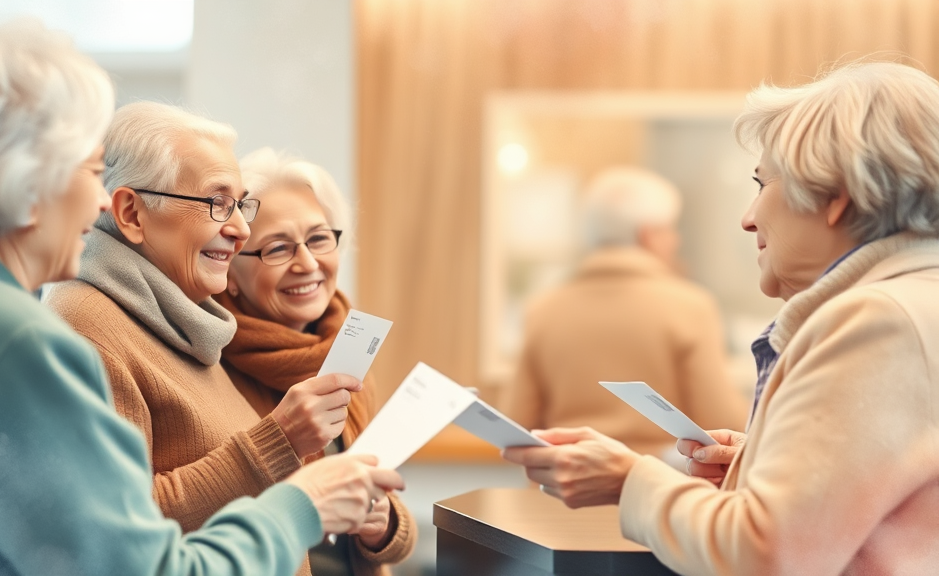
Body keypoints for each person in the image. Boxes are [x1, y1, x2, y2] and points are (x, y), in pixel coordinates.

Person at [0, 18, 402, 576]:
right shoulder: (27, 334)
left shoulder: (193, 326)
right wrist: (302, 503)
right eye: (90, 171)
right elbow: (139, 565)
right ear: (26, 177)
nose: (97, 199)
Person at [502, 60, 939, 575]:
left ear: (835, 196)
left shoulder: (876, 320)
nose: (748, 216)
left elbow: (766, 554)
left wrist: (629, 480)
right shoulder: (912, 303)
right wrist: (754, 463)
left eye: (763, 184)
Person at [44, 102, 387, 566]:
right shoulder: (86, 326)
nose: (242, 229)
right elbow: (113, 534)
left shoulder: (190, 325)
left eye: (241, 204)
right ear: (131, 214)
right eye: (216, 203)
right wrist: (278, 440)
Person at [215, 148, 416, 576]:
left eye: (320, 238)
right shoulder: (209, 363)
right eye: (277, 248)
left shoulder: (346, 350)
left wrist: (384, 526)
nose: (307, 263)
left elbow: (384, 506)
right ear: (230, 270)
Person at [502, 167, 747, 463]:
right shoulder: (690, 305)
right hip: (655, 488)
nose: (675, 241)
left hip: (565, 484)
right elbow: (720, 420)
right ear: (648, 235)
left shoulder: (542, 307)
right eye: (670, 230)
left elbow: (517, 420)